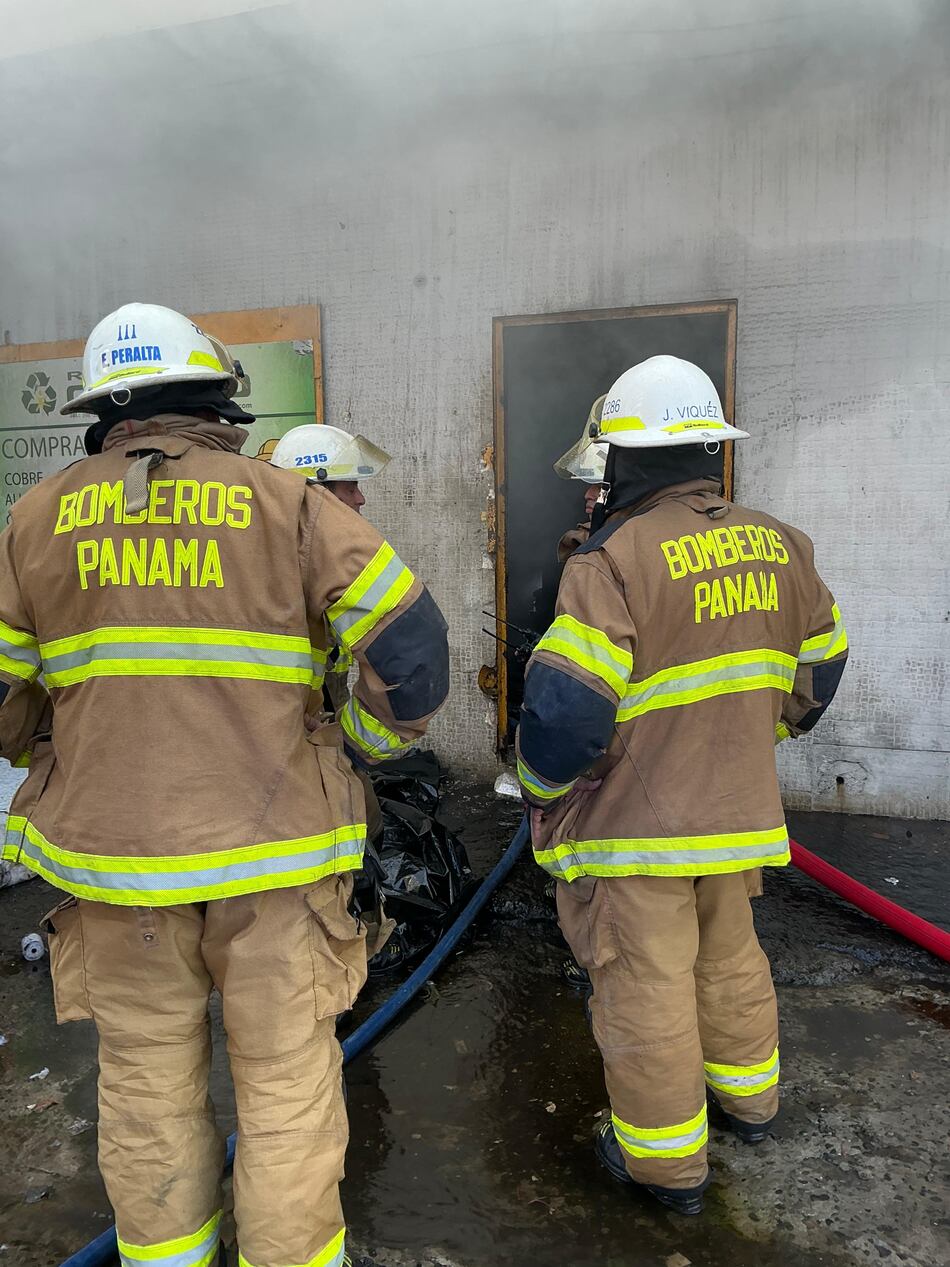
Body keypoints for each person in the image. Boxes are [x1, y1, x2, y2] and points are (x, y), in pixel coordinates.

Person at [0, 303, 450, 1267]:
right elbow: (413, 649)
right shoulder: (285, 504)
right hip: (278, 865)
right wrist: (353, 740)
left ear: (105, 412)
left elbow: (3, 697)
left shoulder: (32, 522)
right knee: (287, 1085)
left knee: (146, 1087)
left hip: (117, 872)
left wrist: (63, 743)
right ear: (215, 401)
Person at [516, 355, 848, 1216]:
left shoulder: (612, 564)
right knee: (731, 960)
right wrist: (760, 734)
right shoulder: (783, 543)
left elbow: (567, 717)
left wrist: (539, 788)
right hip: (736, 819)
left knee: (647, 988)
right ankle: (751, 1105)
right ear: (710, 448)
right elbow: (825, 660)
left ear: (622, 457)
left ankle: (665, 1167)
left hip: (638, 832)